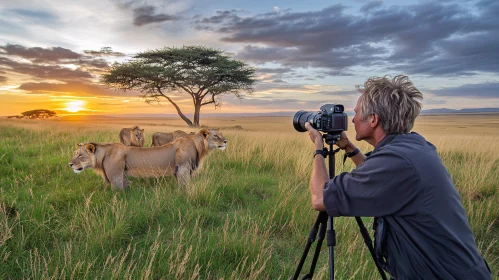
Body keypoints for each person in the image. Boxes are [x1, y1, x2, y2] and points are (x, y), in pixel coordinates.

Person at [304, 75, 492, 280]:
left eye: (357, 113)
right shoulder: (414, 147)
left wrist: (318, 148)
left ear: (374, 119)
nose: (353, 119)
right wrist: (349, 147)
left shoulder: (396, 162)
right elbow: (379, 175)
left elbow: (320, 199)